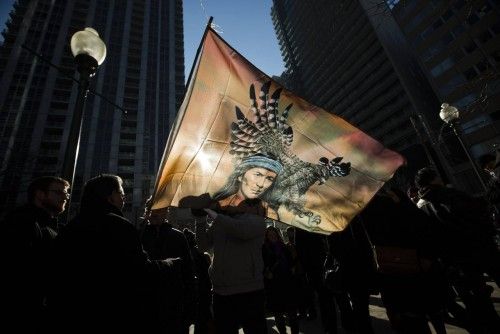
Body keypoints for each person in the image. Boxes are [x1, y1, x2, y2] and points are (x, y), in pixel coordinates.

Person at [50, 174, 182, 333]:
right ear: (110, 197)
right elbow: (140, 272)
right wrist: (169, 264)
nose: (124, 198)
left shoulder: (71, 228)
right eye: (121, 193)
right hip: (114, 316)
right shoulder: (119, 226)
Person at [1, 176, 70, 332]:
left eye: (66, 194)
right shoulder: (22, 221)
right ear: (40, 194)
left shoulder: (50, 226)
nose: (65, 197)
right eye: (59, 192)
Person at [203, 197, 268, 334]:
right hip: (221, 291)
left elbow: (241, 231)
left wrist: (210, 212)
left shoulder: (257, 222)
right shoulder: (221, 221)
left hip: (249, 291)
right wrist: (200, 220)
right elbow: (202, 244)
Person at [140, 206, 196, 334]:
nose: (154, 213)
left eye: (159, 210)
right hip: (147, 304)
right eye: (151, 210)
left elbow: (188, 273)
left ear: (166, 212)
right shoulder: (139, 236)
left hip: (173, 303)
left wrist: (190, 309)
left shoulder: (178, 237)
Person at [214, 153, 282, 219]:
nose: (261, 184)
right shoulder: (218, 205)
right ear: (240, 175)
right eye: (258, 174)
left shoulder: (269, 214)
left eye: (269, 179)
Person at [262, 226, 300, 334]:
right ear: (267, 237)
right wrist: (266, 273)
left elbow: (292, 262)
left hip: (287, 282)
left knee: (292, 313)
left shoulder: (285, 247)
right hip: (274, 285)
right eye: (269, 235)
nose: (272, 236)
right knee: (278, 314)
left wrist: (292, 268)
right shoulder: (264, 249)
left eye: (273, 233)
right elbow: (263, 265)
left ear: (278, 234)